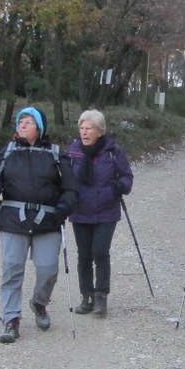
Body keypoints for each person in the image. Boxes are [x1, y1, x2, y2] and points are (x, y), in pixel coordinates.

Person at [0, 107, 78, 344]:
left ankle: (39, 303)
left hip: (48, 220)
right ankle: (11, 319)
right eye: (20, 121)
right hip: (13, 220)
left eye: (28, 122)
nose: (22, 125)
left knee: (48, 270)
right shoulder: (8, 152)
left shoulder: (56, 154)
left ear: (40, 128)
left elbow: (71, 188)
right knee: (12, 270)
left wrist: (65, 206)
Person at [66, 109, 134, 317]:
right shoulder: (73, 151)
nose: (84, 132)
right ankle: (86, 296)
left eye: (89, 128)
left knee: (100, 253)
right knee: (84, 255)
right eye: (82, 128)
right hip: (80, 210)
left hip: (106, 211)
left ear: (100, 131)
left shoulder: (113, 152)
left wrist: (117, 188)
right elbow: (64, 177)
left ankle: (101, 297)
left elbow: (127, 178)